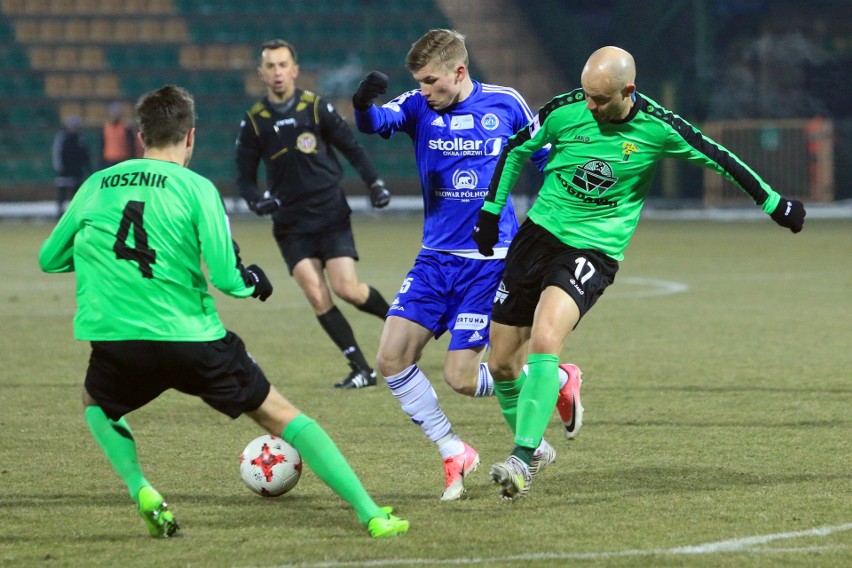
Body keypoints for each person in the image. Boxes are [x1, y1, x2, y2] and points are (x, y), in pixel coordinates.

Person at [38, 85, 409, 539]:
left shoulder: (95, 184)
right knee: (283, 416)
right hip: (192, 339)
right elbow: (229, 278)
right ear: (190, 136)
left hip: (118, 340)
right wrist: (254, 280)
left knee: (97, 404)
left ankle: (141, 489)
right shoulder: (197, 189)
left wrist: (105, 257)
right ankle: (372, 514)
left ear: (140, 136)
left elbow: (49, 259)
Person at [472, 46, 806, 500]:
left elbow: (719, 156)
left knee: (546, 341)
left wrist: (774, 203)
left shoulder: (658, 128)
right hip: (538, 236)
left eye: (601, 99)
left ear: (629, 91)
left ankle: (522, 458)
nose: (590, 106)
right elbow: (515, 150)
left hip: (593, 248)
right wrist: (491, 212)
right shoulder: (564, 110)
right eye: (587, 95)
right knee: (503, 363)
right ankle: (555, 403)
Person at [352, 29, 583, 501]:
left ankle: (555, 380)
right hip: (435, 259)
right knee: (391, 358)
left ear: (459, 72)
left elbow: (548, 161)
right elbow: (377, 121)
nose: (423, 90)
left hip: (492, 261)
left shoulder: (506, 103)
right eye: (417, 82)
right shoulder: (419, 105)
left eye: (431, 81)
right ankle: (454, 449)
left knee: (461, 378)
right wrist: (361, 105)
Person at [236, 39, 392, 390]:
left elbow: (351, 148)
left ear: (294, 70)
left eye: (282, 65)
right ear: (262, 74)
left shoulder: (316, 107)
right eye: (270, 66)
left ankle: (402, 322)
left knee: (347, 289)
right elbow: (244, 178)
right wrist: (256, 201)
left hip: (330, 212)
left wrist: (375, 184)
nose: (277, 72)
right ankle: (361, 369)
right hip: (291, 224)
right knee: (317, 294)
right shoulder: (255, 122)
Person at [51, 115, 91, 218]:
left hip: (77, 172)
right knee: (62, 194)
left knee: (77, 194)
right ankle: (59, 214)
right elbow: (57, 153)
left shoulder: (81, 139)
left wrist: (86, 168)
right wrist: (60, 168)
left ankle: (76, 213)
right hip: (64, 171)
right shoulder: (62, 138)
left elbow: (85, 156)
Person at [100, 101, 141, 168]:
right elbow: (102, 145)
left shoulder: (126, 128)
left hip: (123, 159)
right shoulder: (105, 128)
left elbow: (131, 145)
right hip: (109, 160)